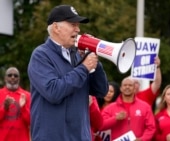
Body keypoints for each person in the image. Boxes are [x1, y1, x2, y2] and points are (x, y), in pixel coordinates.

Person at [27, 5, 108, 141]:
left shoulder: (77, 56)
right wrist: (84, 67)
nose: (78, 29)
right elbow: (53, 92)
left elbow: (101, 91)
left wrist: (94, 62)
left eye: (78, 25)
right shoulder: (40, 55)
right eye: (72, 24)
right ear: (56, 27)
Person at [0, 67, 31, 141]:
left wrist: (23, 108)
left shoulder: (27, 96)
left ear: (19, 79)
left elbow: (31, 122)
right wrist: (4, 108)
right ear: (5, 78)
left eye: (15, 75)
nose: (13, 77)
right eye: (9, 75)